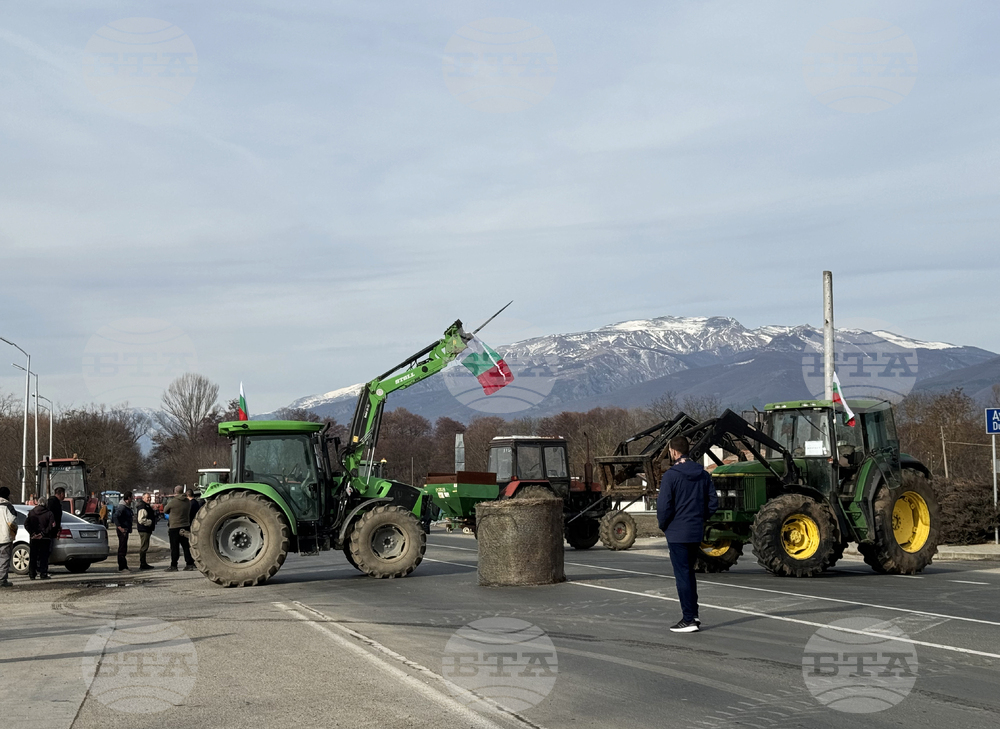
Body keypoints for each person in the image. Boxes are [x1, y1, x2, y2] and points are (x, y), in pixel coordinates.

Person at [657, 435, 719, 633]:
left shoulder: (671, 476)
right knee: (689, 573)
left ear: (673, 451)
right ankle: (693, 613)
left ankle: (688, 618)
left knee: (682, 575)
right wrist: (700, 518)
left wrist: (664, 525)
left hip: (677, 532)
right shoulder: (703, 474)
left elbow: (664, 507)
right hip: (695, 530)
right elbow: (712, 503)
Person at [163, 485, 195, 572]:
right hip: (185, 525)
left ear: (175, 492)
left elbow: (165, 510)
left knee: (174, 547)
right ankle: (189, 564)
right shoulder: (187, 502)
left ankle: (174, 565)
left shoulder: (173, 502)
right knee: (186, 547)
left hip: (174, 526)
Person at [25, 500, 56, 580]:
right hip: (45, 538)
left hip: (33, 538)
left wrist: (32, 533)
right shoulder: (49, 513)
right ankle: (43, 573)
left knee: (33, 556)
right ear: (45, 504)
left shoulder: (31, 512)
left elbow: (26, 524)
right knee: (44, 556)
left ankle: (32, 574)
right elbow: (52, 525)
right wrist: (43, 534)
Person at [134, 493, 157, 570]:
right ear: (143, 498)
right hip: (144, 529)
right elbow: (141, 520)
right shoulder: (143, 506)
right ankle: (142, 564)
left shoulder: (146, 506)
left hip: (146, 529)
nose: (149, 499)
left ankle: (144, 563)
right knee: (144, 547)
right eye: (147, 497)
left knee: (145, 546)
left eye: (150, 497)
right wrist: (150, 522)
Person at [113, 491, 134, 572]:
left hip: (125, 529)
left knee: (124, 548)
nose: (132, 499)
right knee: (122, 548)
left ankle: (124, 565)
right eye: (131, 497)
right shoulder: (122, 507)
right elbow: (115, 516)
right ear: (128, 498)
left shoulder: (126, 507)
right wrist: (120, 527)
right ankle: (122, 567)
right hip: (122, 530)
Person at [0, 487, 17, 587]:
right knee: (4, 558)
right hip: (4, 537)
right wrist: (14, 531)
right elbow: (12, 521)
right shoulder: (7, 506)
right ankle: (2, 580)